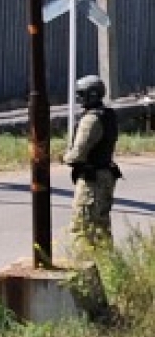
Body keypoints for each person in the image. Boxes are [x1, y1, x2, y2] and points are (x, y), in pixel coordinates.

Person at [62, 73, 119, 252]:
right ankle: (107, 263)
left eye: (81, 94)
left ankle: (85, 265)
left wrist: (65, 158)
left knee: (83, 226)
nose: (78, 98)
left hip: (92, 180)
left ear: (92, 94)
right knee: (101, 225)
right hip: (106, 175)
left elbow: (78, 153)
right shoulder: (108, 114)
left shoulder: (91, 120)